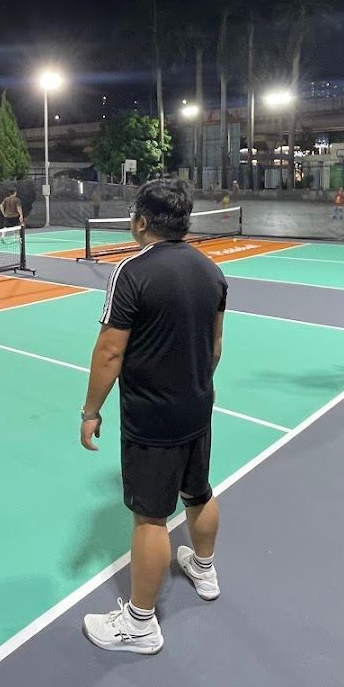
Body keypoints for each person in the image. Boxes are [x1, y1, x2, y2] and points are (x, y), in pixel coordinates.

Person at [81, 178, 227, 655]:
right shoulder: (211, 271)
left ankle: (140, 623)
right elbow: (215, 346)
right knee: (198, 492)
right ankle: (203, 569)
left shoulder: (131, 272)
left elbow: (109, 352)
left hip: (151, 418)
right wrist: (194, 387)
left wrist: (90, 410)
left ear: (141, 221)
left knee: (150, 517)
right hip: (197, 408)